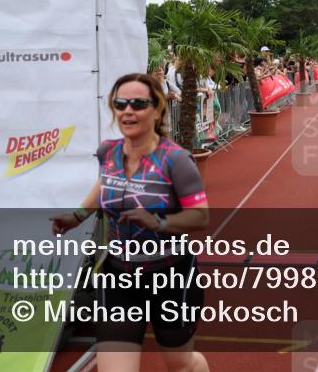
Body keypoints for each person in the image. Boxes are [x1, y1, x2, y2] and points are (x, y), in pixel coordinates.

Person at [51, 73, 210, 372]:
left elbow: (201, 216)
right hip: (119, 275)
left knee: (180, 364)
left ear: (157, 108)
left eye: (138, 104)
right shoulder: (107, 152)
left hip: (171, 276)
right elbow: (103, 186)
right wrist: (75, 217)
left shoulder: (177, 160)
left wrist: (158, 222)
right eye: (120, 103)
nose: (128, 111)